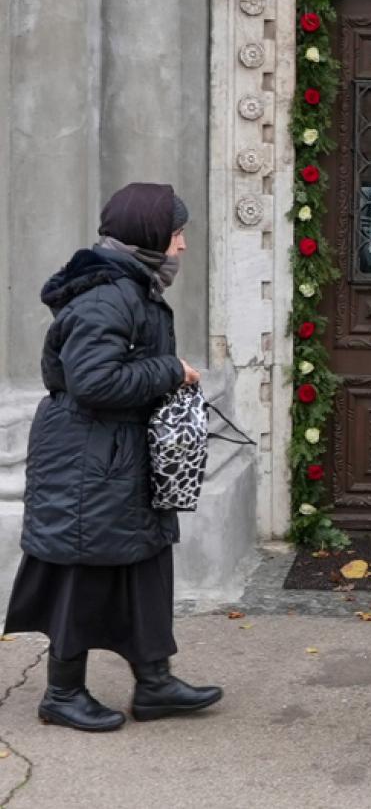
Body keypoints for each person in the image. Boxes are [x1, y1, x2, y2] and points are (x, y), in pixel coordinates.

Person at [5, 182, 223, 732]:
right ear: (149, 234)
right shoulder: (109, 295)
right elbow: (92, 381)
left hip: (115, 456)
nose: (182, 245)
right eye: (176, 234)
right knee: (83, 572)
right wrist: (169, 370)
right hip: (88, 460)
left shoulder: (132, 286)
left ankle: (155, 684)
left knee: (145, 565)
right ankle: (61, 694)